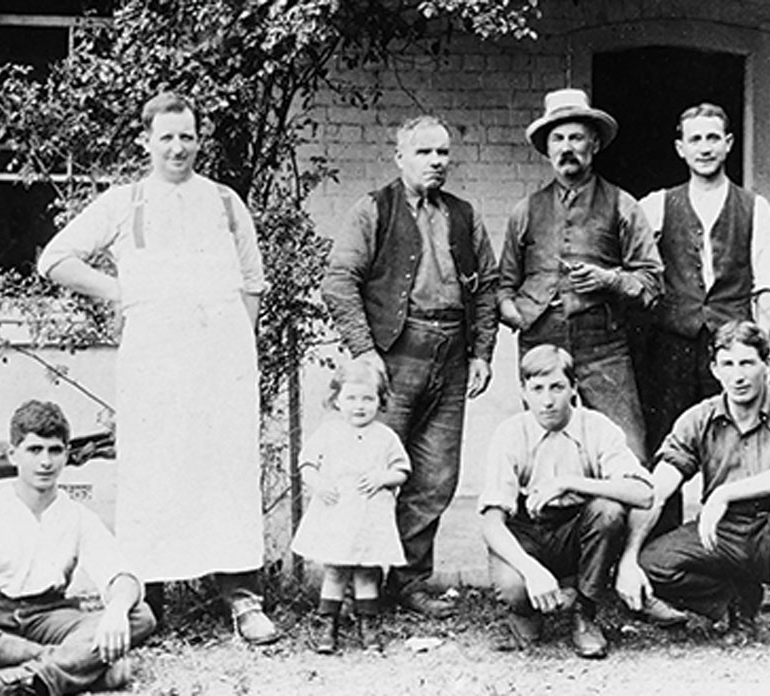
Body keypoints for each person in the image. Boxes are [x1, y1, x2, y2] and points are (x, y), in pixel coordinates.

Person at [37, 92, 280, 644]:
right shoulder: (125, 202)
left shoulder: (224, 202)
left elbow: (252, 282)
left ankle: (241, 596)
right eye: (166, 136)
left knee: (225, 469)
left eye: (187, 136)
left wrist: (243, 353)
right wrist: (121, 292)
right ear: (146, 141)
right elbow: (55, 258)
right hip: (155, 359)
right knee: (155, 468)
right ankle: (149, 599)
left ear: (200, 140)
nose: (177, 147)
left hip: (222, 357)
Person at [322, 115, 499, 618]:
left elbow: (485, 286)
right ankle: (362, 584)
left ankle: (410, 583)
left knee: (435, 477)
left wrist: (482, 351)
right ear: (400, 157)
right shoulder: (373, 210)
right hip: (394, 354)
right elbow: (339, 281)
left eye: (443, 153)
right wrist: (364, 351)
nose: (437, 162)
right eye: (424, 152)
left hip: (452, 353)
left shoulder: (464, 215)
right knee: (374, 470)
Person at [616, 321, 770, 676]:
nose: (739, 376)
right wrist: (628, 558)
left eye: (747, 363)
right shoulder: (699, 418)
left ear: (767, 366)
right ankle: (736, 603)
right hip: (725, 535)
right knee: (653, 564)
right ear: (714, 369)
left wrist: (726, 493)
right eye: (728, 365)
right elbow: (655, 492)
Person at [634, 103, 770, 535]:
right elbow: (631, 264)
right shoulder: (657, 206)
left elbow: (768, 286)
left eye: (712, 138)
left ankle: (733, 558)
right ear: (680, 148)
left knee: (735, 449)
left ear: (728, 144)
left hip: (730, 350)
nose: (704, 148)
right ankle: (661, 560)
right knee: (667, 448)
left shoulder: (753, 207)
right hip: (671, 348)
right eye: (695, 139)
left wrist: (761, 352)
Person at [0, 400, 157, 696]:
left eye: (55, 450)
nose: (45, 462)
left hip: (51, 613)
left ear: (66, 455)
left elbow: (120, 575)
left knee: (139, 616)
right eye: (34, 450)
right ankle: (85, 668)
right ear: (13, 455)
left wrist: (115, 612)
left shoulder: (78, 516)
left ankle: (16, 682)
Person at [498, 88, 662, 462]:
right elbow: (504, 282)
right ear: (548, 149)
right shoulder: (525, 210)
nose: (567, 147)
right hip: (540, 341)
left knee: (627, 450)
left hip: (602, 344)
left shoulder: (623, 205)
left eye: (576, 137)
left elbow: (653, 281)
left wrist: (611, 280)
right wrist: (512, 311)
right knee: (540, 450)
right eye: (558, 139)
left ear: (595, 144)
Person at [479, 344, 653, 659]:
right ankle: (529, 606)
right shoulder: (510, 433)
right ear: (524, 392)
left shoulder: (596, 426)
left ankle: (584, 613)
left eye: (557, 387)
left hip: (575, 529)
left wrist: (568, 483)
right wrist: (530, 570)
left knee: (608, 511)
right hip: (528, 531)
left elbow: (644, 493)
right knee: (514, 589)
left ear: (573, 388)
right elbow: (491, 523)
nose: (547, 401)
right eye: (537, 389)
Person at [291, 360, 410, 654]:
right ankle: (327, 624)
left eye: (368, 398)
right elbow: (306, 464)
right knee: (335, 571)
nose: (360, 406)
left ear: (381, 401)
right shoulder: (329, 432)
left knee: (368, 572)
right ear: (336, 400)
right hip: (338, 514)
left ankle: (368, 625)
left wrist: (384, 477)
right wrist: (317, 483)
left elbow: (402, 470)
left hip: (370, 516)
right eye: (351, 398)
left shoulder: (385, 437)